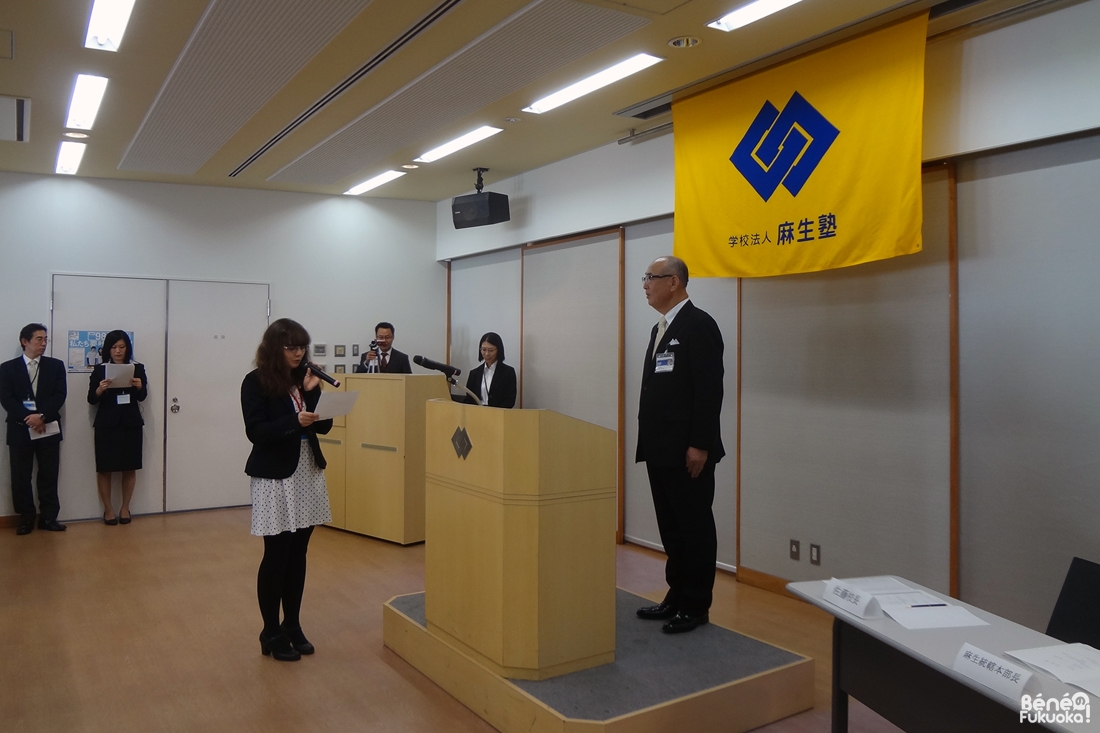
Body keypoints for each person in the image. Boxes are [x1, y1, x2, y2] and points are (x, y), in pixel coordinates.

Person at [634, 256, 724, 634]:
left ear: (674, 282)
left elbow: (708, 391)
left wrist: (700, 444)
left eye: (650, 278)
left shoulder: (698, 325)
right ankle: (676, 593)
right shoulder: (662, 327)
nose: (645, 285)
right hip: (660, 446)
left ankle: (696, 604)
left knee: (693, 526)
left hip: (688, 449)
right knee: (671, 527)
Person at [241, 318, 333, 662]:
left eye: (302, 347)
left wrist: (311, 393)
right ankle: (270, 630)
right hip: (274, 476)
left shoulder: (303, 380)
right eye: (291, 347)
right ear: (274, 348)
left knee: (299, 553)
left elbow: (323, 425)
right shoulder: (256, 382)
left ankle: (292, 624)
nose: (298, 353)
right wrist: (294, 422)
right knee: (277, 553)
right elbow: (257, 431)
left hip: (307, 470)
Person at [0, 323, 68, 535]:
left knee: (48, 474)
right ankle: (26, 518)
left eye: (45, 339)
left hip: (47, 427)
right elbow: (6, 398)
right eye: (39, 339)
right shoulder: (7, 368)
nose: (43, 343)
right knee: (20, 476)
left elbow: (59, 395)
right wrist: (29, 418)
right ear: (25, 341)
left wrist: (41, 416)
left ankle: (48, 518)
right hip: (20, 429)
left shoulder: (55, 366)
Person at [87, 330, 148, 525]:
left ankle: (125, 508)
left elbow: (142, 396)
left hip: (130, 423)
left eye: (122, 347)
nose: (118, 351)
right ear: (108, 349)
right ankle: (108, 509)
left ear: (127, 348)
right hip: (107, 424)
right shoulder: (100, 370)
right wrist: (100, 389)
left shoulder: (137, 368)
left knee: (129, 467)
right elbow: (91, 399)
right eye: (114, 347)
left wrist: (139, 386)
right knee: (105, 468)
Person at [463, 332, 516, 408]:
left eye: (491, 350)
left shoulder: (508, 372)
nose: (487, 354)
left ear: (498, 350)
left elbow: (510, 400)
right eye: (484, 350)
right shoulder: (474, 373)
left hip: (499, 415)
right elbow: (469, 399)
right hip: (477, 415)